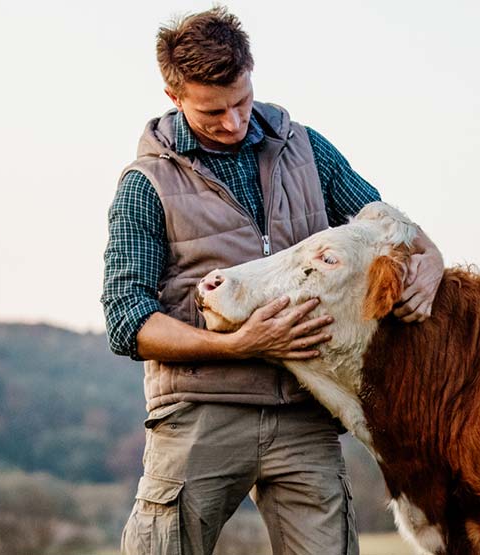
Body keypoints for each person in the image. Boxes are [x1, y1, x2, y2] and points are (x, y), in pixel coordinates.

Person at [102, 7, 444, 555]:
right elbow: (126, 321)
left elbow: (386, 227)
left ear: (251, 73)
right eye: (212, 111)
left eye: (241, 101)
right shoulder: (147, 184)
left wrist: (433, 257)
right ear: (175, 97)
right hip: (202, 414)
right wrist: (237, 345)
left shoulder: (306, 149)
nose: (233, 122)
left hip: (306, 412)